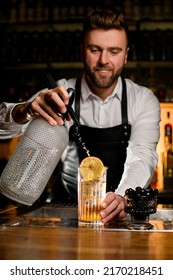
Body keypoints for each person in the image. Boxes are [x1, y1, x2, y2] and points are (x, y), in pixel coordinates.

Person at [0, 7, 160, 224]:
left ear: (126, 54)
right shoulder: (60, 93)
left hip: (117, 218)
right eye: (95, 50)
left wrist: (122, 196)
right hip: (62, 217)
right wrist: (25, 111)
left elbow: (142, 155)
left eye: (114, 51)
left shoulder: (142, 99)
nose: (104, 60)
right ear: (82, 50)